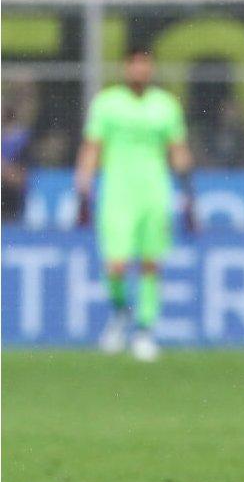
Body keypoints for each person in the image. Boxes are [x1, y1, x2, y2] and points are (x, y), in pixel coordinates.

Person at [74, 48, 196, 362]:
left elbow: (178, 151)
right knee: (115, 263)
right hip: (117, 191)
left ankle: (144, 329)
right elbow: (92, 146)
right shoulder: (107, 102)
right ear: (126, 67)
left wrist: (188, 196)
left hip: (155, 191)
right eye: (136, 64)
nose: (141, 70)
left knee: (151, 262)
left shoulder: (165, 105)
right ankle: (120, 313)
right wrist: (83, 189)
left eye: (146, 64)